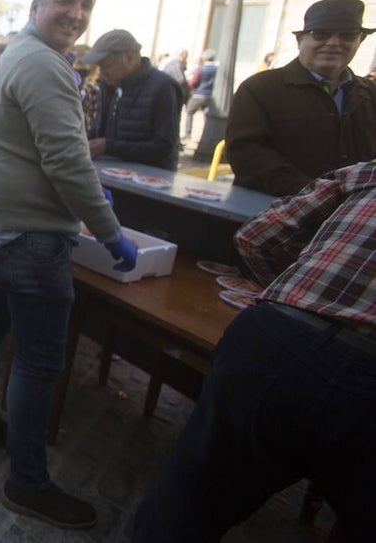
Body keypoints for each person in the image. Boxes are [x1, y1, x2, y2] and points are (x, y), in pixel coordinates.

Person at [0, 0, 137, 531]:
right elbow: (67, 161)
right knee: (39, 361)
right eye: (66, 1)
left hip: (2, 225)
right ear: (37, 4)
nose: (77, 14)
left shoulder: (17, 53)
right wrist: (109, 231)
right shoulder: (42, 63)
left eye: (87, 4)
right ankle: (28, 483)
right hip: (34, 239)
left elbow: (36, 150)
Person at [133, 160, 376, 541]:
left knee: (186, 507)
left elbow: (258, 235)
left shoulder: (368, 172)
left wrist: (293, 296)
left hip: (276, 341)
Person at [225, 0, 376, 197]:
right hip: (273, 216)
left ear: (360, 40)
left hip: (348, 221)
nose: (333, 43)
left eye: (347, 35)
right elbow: (246, 154)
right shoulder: (259, 89)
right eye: (321, 34)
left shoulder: (370, 93)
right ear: (300, 40)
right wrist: (315, 195)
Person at [81, 28, 181, 170]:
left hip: (148, 181)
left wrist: (109, 146)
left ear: (130, 58)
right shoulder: (108, 86)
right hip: (110, 173)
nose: (101, 73)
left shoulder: (163, 87)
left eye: (106, 66)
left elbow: (163, 146)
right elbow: (101, 131)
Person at [182, 49, 217, 143]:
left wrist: (189, 86)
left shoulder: (200, 69)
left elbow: (194, 81)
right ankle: (206, 135)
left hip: (198, 94)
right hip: (210, 95)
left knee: (189, 111)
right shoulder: (217, 70)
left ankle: (187, 134)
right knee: (207, 115)